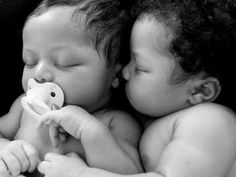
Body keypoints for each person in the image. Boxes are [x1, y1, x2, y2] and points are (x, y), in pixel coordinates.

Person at [37, 0, 236, 177]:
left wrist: (80, 173)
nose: (124, 72)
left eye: (139, 67)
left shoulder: (209, 122)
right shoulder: (157, 119)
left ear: (201, 91)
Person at [0, 0, 143, 176]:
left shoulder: (115, 123)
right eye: (30, 62)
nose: (39, 73)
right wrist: (4, 149)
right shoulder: (24, 109)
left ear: (115, 75)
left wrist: (87, 129)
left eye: (64, 63)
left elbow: (131, 173)